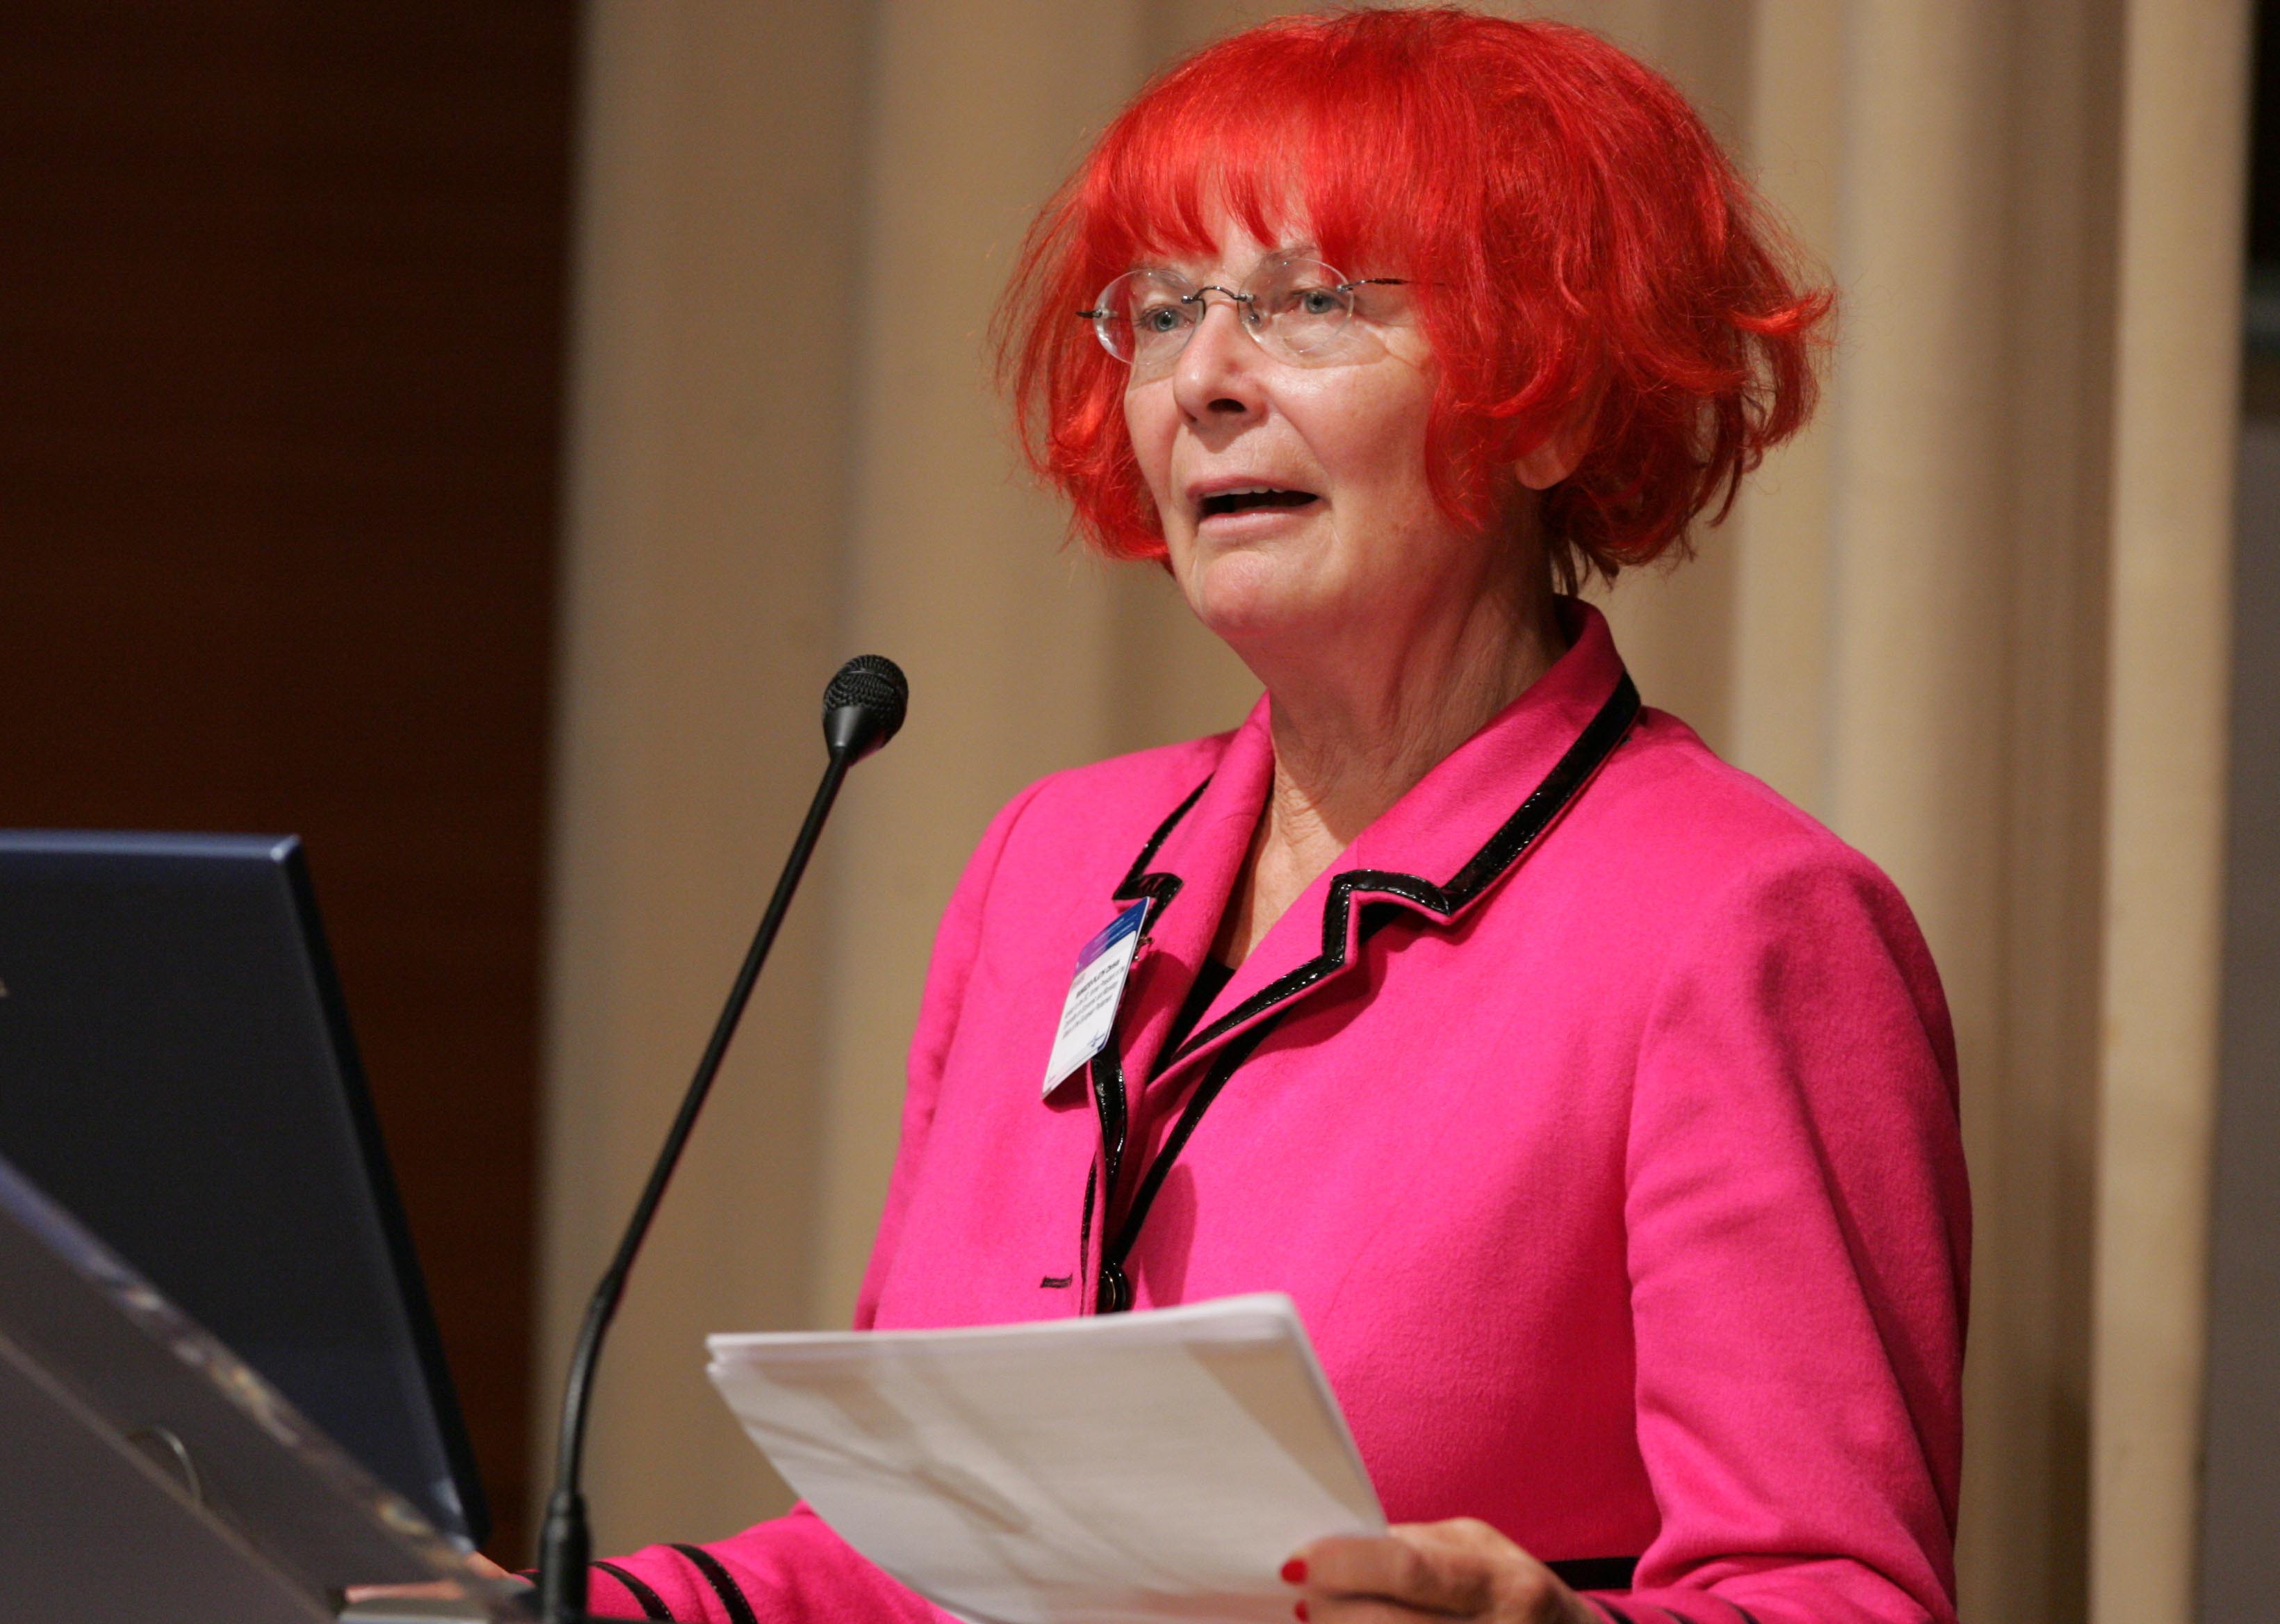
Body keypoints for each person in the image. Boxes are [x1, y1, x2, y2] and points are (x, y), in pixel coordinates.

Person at [555, 11, 1969, 1623]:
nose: (1205, 381)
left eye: (1312, 302)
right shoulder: (1048, 867)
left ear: (1553, 403)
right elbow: (912, 1547)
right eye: (1162, 313)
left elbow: (1834, 1594)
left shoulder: (1740, 922)